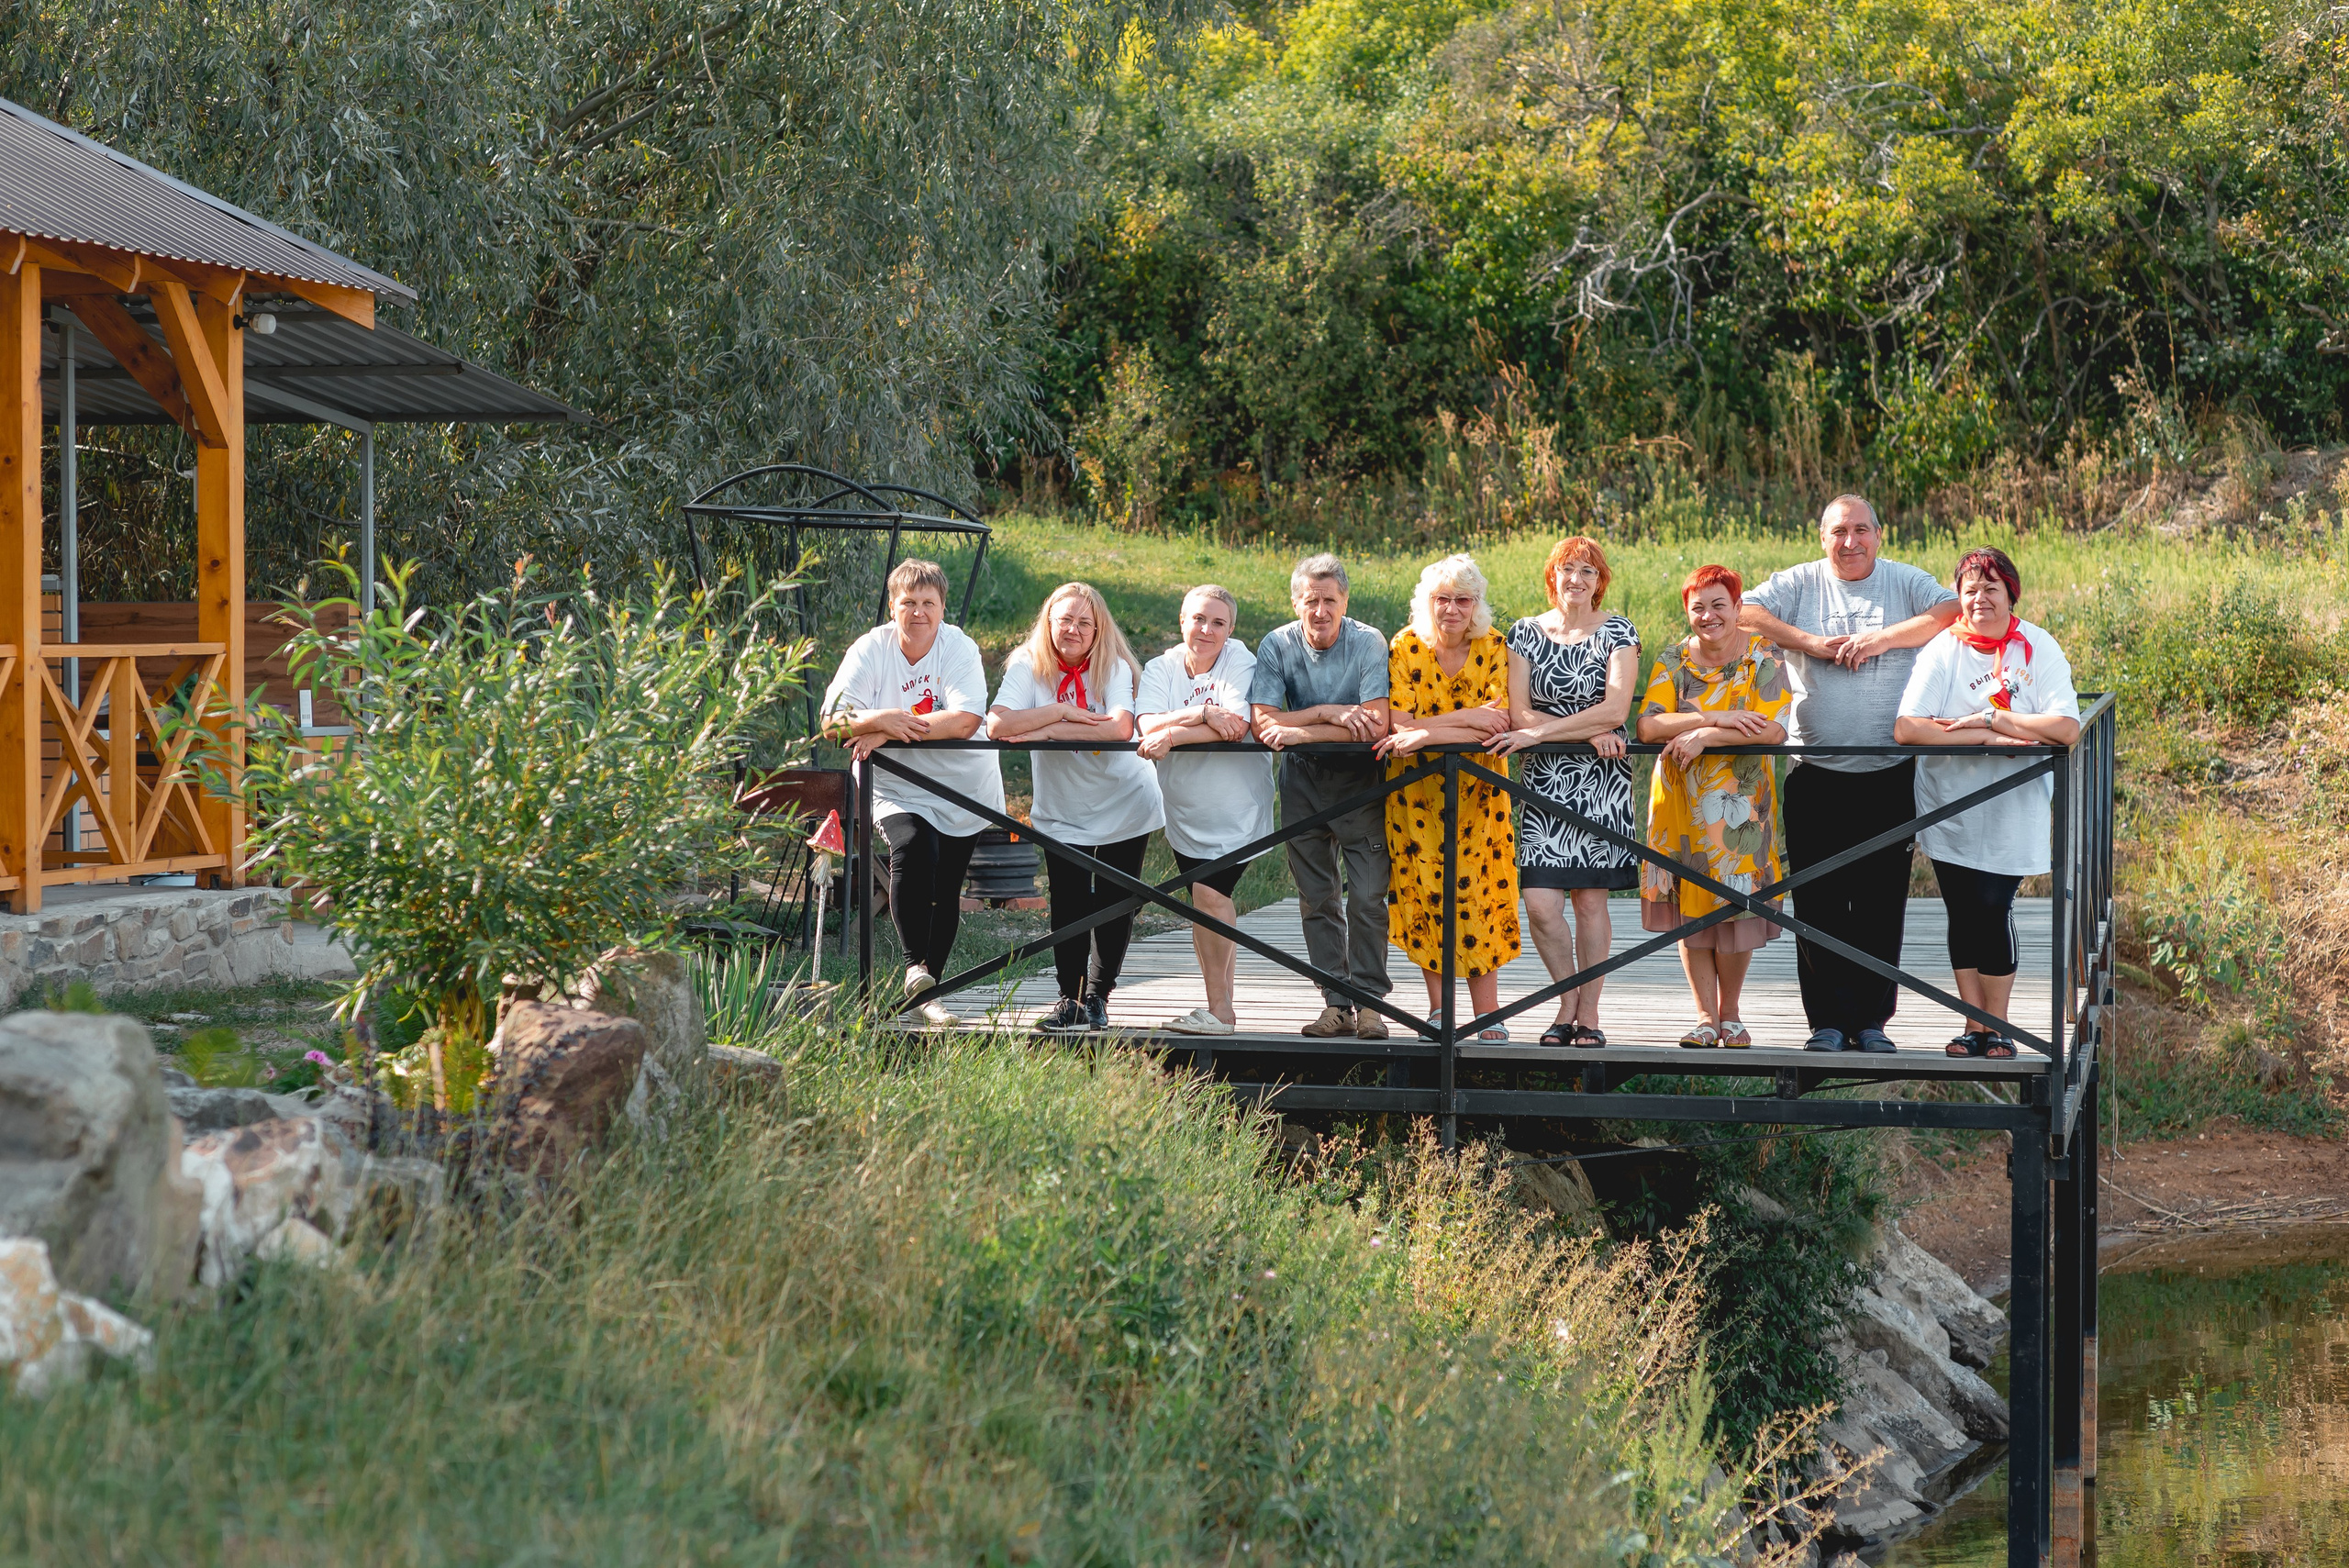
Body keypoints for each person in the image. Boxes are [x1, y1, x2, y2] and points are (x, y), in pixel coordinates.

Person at [1740, 495, 1960, 1054]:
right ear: (1822, 537)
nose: (1851, 541)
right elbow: (1745, 611)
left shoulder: (1903, 581)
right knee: (1817, 899)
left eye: (1861, 530)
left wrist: (1882, 639)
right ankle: (1827, 1023)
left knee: (1882, 900)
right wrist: (1809, 643)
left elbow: (1951, 611)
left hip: (1889, 773)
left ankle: (1872, 1022)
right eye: (1839, 531)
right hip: (1814, 772)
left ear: (1879, 535)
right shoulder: (1800, 582)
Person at [1894, 547, 2079, 1059]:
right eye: (1970, 590)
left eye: (1990, 589)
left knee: (1993, 908)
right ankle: (1972, 1024)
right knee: (1962, 911)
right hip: (1950, 804)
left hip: (2012, 806)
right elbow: (1909, 726)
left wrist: (1995, 720)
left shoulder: (2037, 647)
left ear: (2010, 594)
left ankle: (1999, 1025)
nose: (1979, 600)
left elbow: (2064, 727)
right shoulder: (1942, 649)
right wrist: (1981, 738)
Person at [822, 559, 1006, 1027]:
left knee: (947, 887)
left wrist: (887, 729)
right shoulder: (870, 649)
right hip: (898, 786)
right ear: (892, 606)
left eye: (929, 603)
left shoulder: (959, 648)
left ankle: (929, 998)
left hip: (963, 784)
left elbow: (965, 721)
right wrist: (882, 721)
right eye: (909, 602)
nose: (919, 612)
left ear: (943, 607)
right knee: (912, 847)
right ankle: (914, 967)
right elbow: (832, 723)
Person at [986, 582, 1164, 1035]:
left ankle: (1098, 999)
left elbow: (1120, 728)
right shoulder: (1028, 664)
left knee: (1115, 902)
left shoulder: (1114, 667)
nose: (1074, 629)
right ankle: (1068, 998)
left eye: (1085, 622)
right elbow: (999, 723)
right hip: (1063, 807)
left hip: (1125, 800)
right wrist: (1062, 714)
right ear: (1048, 622)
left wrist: (1043, 731)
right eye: (1065, 619)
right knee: (1067, 902)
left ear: (1098, 629)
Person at [1635, 565, 1792, 1049]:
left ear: (1738, 607)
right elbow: (1648, 727)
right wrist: (1717, 717)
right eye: (1697, 607)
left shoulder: (1764, 656)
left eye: (1718, 604)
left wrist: (1703, 735)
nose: (1708, 616)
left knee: (1738, 907)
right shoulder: (1674, 659)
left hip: (1742, 807)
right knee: (1691, 908)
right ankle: (1704, 1016)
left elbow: (1773, 728)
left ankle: (1732, 1013)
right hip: (1681, 803)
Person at [1492, 537, 1641, 1048]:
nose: (1576, 578)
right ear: (1551, 576)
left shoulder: (1618, 631)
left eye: (1587, 570)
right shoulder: (1525, 634)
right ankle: (1566, 1000)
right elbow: (1519, 714)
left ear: (1600, 581)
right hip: (1543, 785)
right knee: (1539, 903)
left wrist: (1549, 730)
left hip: (1600, 784)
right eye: (1566, 569)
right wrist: (1578, 731)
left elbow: (1617, 710)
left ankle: (1587, 1013)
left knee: (1590, 904)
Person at [1375, 554, 1520, 1039]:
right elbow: (1399, 724)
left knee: (1484, 895)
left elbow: (1498, 721)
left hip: (1481, 794)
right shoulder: (1405, 646)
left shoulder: (1496, 645)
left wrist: (1423, 733)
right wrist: (1454, 722)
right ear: (1428, 602)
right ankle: (1440, 1011)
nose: (1453, 609)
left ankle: (1488, 1014)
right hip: (1415, 800)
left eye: (1463, 599)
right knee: (1425, 895)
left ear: (1476, 604)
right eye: (1443, 599)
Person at [1251, 553, 1394, 1040]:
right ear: (1296, 602)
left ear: (1344, 602)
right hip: (1302, 786)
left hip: (1363, 781)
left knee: (1370, 898)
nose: (1319, 611)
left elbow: (1376, 724)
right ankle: (1336, 1004)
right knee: (1317, 899)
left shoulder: (1369, 642)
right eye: (1310, 601)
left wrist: (1300, 730)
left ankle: (1370, 1003)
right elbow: (1262, 721)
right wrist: (1332, 713)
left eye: (1329, 600)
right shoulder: (1277, 644)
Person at [1137, 584, 1275, 1036]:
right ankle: (1220, 1006)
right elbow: (1146, 723)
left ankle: (1220, 1013)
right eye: (1198, 619)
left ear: (1231, 629)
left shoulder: (1241, 660)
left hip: (1237, 810)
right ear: (1182, 621)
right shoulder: (1160, 667)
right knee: (1204, 904)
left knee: (1210, 898)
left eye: (1218, 622)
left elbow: (1234, 725)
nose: (1206, 630)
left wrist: (1176, 733)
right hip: (1185, 810)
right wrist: (1201, 714)